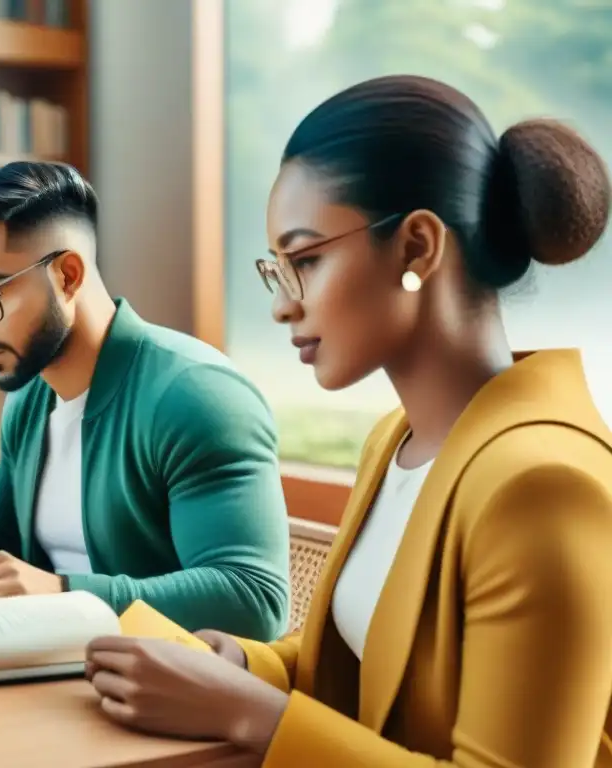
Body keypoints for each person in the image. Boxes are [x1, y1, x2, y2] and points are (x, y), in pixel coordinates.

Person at [83, 75, 612, 766]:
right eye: (277, 269)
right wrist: (244, 666)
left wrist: (257, 718)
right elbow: (376, 655)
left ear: (418, 247)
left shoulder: (545, 486)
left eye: (305, 259)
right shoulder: (395, 442)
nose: (281, 307)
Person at [0, 160, 292, 642]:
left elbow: (254, 600)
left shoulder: (195, 396)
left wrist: (61, 593)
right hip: (52, 664)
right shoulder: (32, 396)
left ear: (68, 275)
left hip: (156, 689)